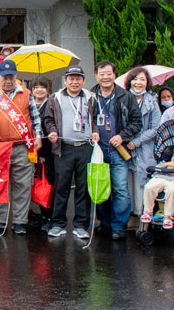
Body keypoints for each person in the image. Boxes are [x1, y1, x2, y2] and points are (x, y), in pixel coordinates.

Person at [0, 59, 43, 235]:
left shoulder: (26, 93)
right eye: (5, 77)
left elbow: (35, 118)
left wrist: (38, 136)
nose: (8, 81)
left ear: (16, 77)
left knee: (22, 185)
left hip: (22, 146)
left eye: (11, 77)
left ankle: (19, 221)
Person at [89, 60, 142, 240]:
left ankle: (119, 226)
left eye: (109, 74)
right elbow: (85, 119)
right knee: (101, 187)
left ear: (114, 75)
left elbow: (137, 122)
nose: (105, 77)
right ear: (96, 76)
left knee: (120, 189)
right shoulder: (90, 96)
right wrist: (93, 130)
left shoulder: (125, 96)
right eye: (101, 74)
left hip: (118, 151)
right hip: (98, 151)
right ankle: (105, 222)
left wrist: (122, 136)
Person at [44, 66, 98, 239]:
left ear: (83, 81)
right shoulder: (56, 97)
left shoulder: (90, 97)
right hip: (64, 148)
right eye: (71, 79)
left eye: (78, 78)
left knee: (83, 187)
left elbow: (96, 119)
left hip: (85, 147)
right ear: (65, 80)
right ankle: (58, 223)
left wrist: (95, 131)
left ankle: (81, 225)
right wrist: (52, 131)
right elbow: (48, 119)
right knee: (61, 186)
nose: (75, 82)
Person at [123, 67, 162, 216]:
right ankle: (130, 216)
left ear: (147, 82)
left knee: (143, 181)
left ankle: (143, 216)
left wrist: (137, 141)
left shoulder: (152, 102)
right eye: (135, 79)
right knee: (127, 182)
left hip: (145, 147)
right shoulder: (123, 99)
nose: (138, 83)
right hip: (126, 147)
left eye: (142, 79)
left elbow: (155, 127)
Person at [141, 146, 174, 229]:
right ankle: (147, 212)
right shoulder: (165, 163)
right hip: (160, 178)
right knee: (149, 187)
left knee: (172, 189)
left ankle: (168, 216)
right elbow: (156, 169)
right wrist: (166, 164)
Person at [31, 75, 54, 229]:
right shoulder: (30, 105)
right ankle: (42, 214)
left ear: (48, 89)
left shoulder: (51, 105)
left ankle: (49, 216)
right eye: (36, 87)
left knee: (48, 183)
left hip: (47, 152)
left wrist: (43, 154)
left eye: (42, 87)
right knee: (38, 184)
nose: (39, 90)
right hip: (32, 152)